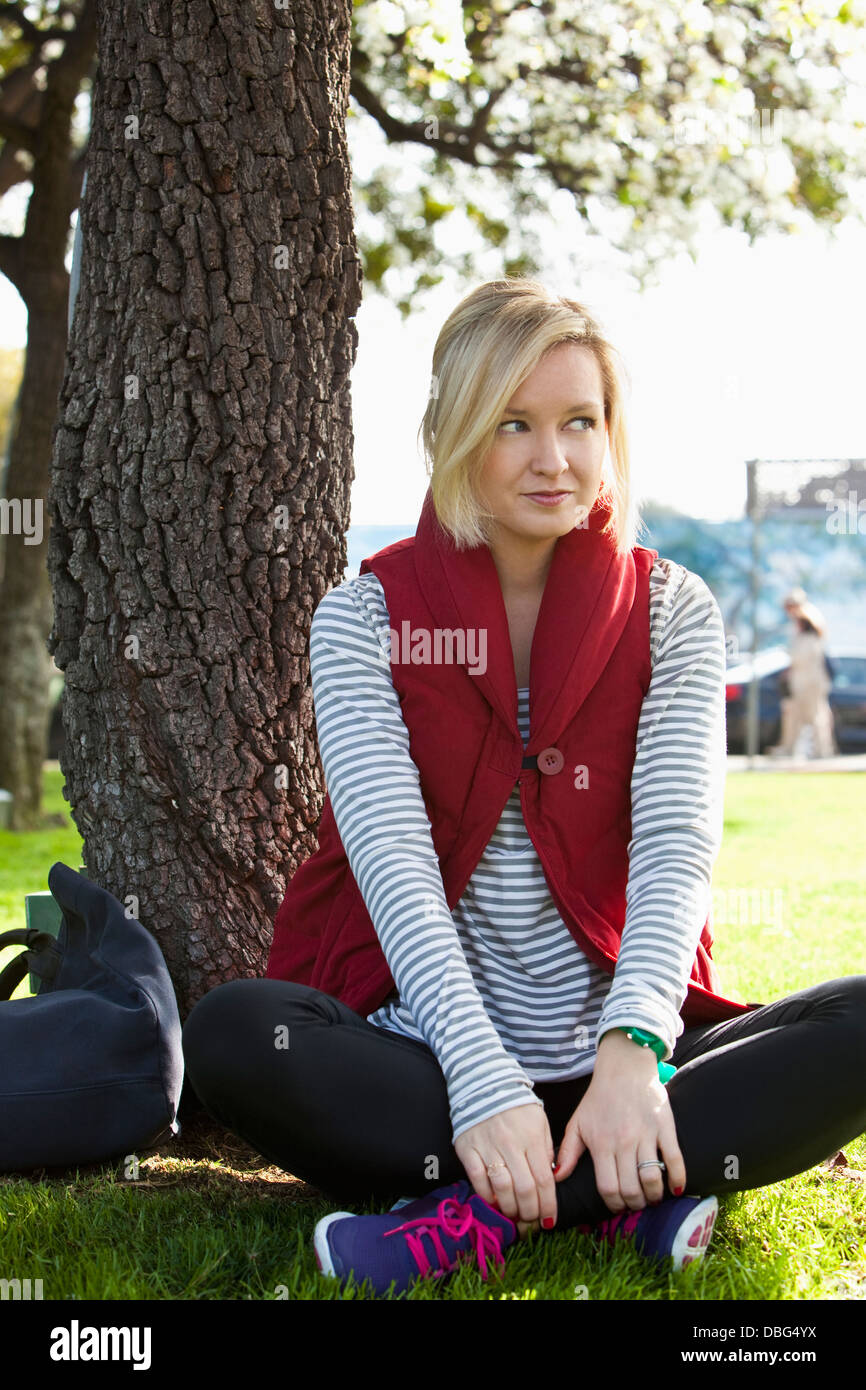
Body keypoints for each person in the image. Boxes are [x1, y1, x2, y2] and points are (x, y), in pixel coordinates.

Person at [182, 280, 866, 1298]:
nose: (553, 459)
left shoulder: (673, 607)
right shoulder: (362, 617)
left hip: (623, 1054)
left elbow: (675, 847)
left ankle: (472, 1214)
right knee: (237, 1031)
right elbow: (393, 866)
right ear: (455, 431)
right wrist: (478, 1077)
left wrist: (633, 1056)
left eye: (577, 422)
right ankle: (621, 1193)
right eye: (513, 424)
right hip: (424, 1057)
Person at [770, 590, 836, 759]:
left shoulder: (809, 618)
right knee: (793, 716)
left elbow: (807, 655)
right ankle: (789, 748)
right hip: (800, 680)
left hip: (811, 680)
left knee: (816, 716)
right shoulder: (799, 625)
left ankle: (822, 750)